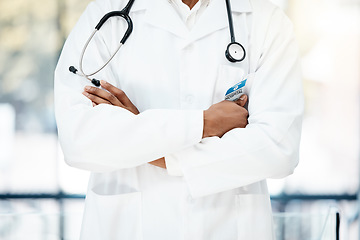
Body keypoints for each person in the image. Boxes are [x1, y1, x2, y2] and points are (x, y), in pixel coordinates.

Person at [54, 0, 304, 239]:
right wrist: (205, 123)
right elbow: (80, 141)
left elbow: (278, 149)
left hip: (227, 228)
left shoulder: (266, 21)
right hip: (128, 227)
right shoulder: (104, 16)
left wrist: (143, 138)